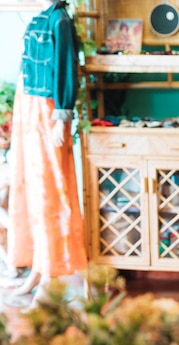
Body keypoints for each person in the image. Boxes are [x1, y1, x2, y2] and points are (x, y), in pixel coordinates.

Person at [7, 0, 87, 306]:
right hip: (28, 107)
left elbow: (67, 67)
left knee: (50, 194)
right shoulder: (42, 18)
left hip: (48, 111)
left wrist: (62, 114)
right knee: (29, 190)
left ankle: (52, 278)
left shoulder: (60, 21)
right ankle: (37, 270)